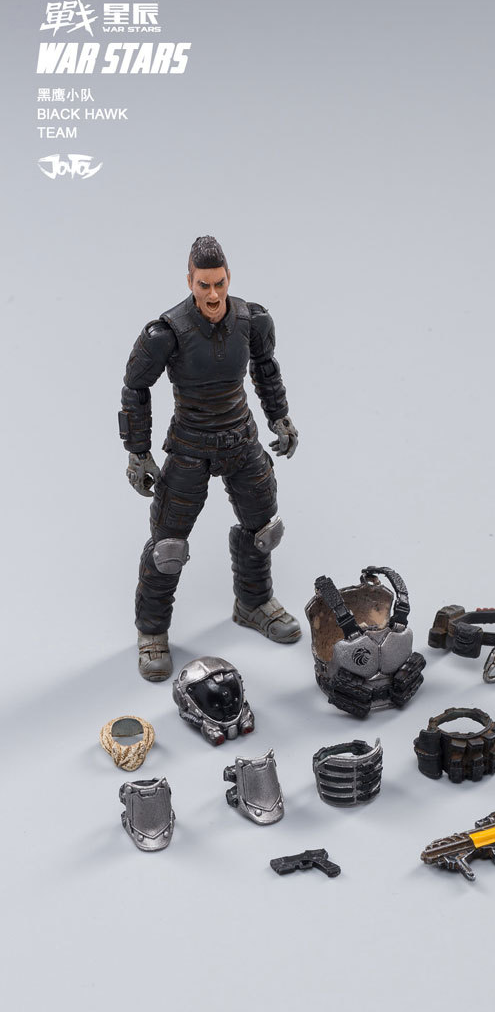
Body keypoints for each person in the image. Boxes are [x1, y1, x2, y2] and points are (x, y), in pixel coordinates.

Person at [119, 235, 300, 681]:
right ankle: (152, 632)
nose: (213, 295)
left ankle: (253, 603)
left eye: (219, 283)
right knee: (167, 547)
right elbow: (135, 388)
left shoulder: (252, 320)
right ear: (190, 282)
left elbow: (266, 369)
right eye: (204, 285)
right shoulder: (166, 333)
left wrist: (280, 418)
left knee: (264, 528)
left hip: (241, 439)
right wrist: (138, 452)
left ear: (228, 278)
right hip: (190, 446)